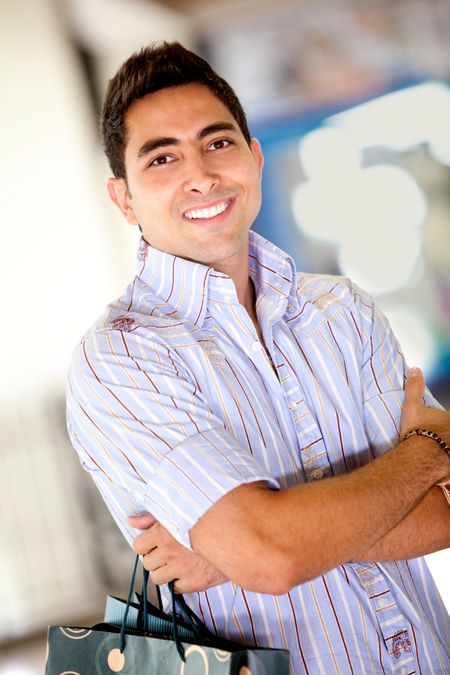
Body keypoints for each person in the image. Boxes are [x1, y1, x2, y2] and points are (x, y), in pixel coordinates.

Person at [67, 42, 450, 673]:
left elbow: (443, 513)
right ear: (124, 199)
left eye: (217, 143)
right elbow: (270, 555)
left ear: (255, 157)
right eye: (162, 157)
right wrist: (431, 449)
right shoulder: (120, 359)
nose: (200, 175)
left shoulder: (343, 312)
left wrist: (230, 553)